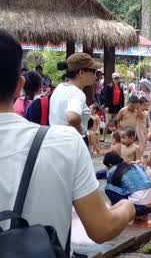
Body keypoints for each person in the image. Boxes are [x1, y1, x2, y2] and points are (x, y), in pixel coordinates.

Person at [0, 29, 135, 251]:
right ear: (19, 86)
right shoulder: (70, 131)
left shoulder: (60, 89)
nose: (96, 76)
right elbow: (102, 228)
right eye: (94, 72)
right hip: (52, 150)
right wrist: (128, 206)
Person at [50, 53, 102, 147]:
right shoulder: (77, 93)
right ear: (81, 73)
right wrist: (80, 133)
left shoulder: (60, 87)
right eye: (93, 72)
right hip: (72, 143)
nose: (95, 76)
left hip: (56, 141)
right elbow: (72, 117)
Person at [103, 152, 151, 221]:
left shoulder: (113, 170)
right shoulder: (135, 166)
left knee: (108, 188)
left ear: (110, 165)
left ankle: (124, 213)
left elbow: (111, 185)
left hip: (140, 207)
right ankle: (141, 214)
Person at [103, 73, 125, 142]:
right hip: (110, 106)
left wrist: (122, 107)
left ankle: (116, 138)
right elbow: (106, 97)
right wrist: (106, 106)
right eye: (115, 78)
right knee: (107, 123)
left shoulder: (120, 87)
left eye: (117, 78)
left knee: (116, 123)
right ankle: (103, 137)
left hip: (117, 106)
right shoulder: (108, 87)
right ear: (112, 79)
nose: (116, 79)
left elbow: (122, 98)